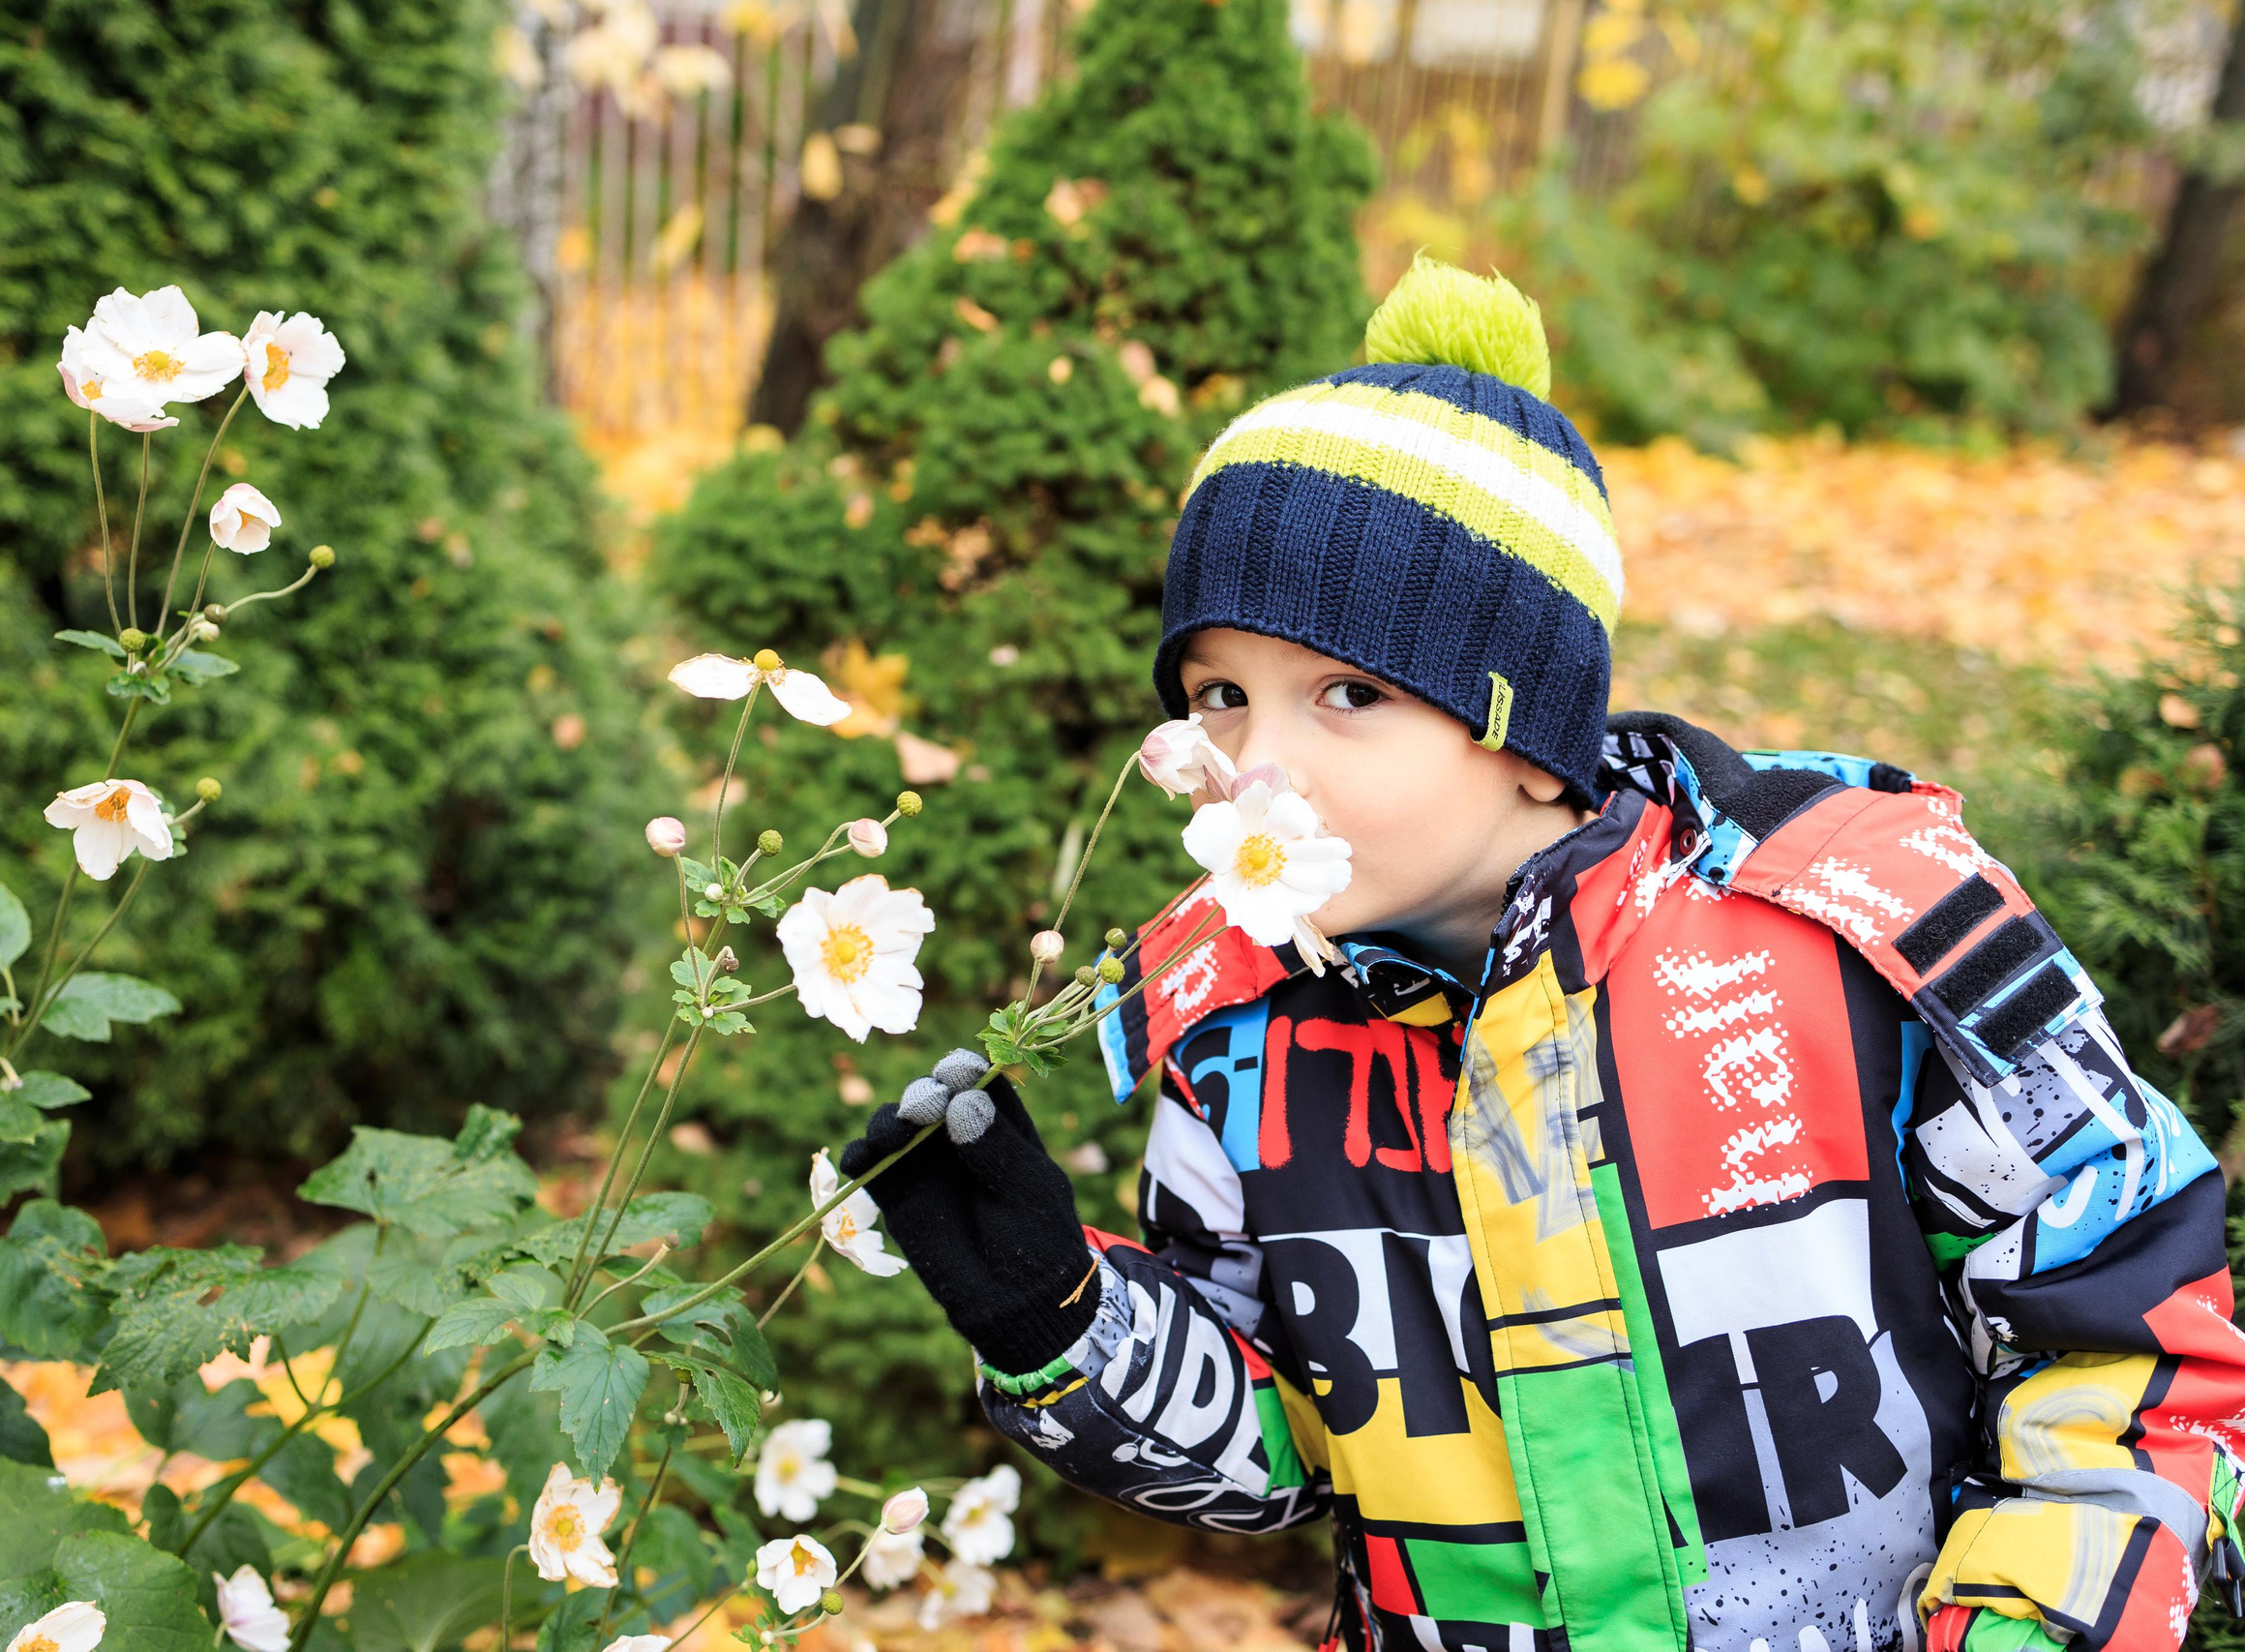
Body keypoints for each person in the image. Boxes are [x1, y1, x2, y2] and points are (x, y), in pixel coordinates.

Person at [839, 257, 2245, 1652]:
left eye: (1347, 693)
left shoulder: (1859, 923)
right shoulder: (1240, 1029)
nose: (1256, 762)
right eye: (1220, 694)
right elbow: (1281, 1447)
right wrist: (1061, 1323)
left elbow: (2130, 1351)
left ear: (1524, 731)